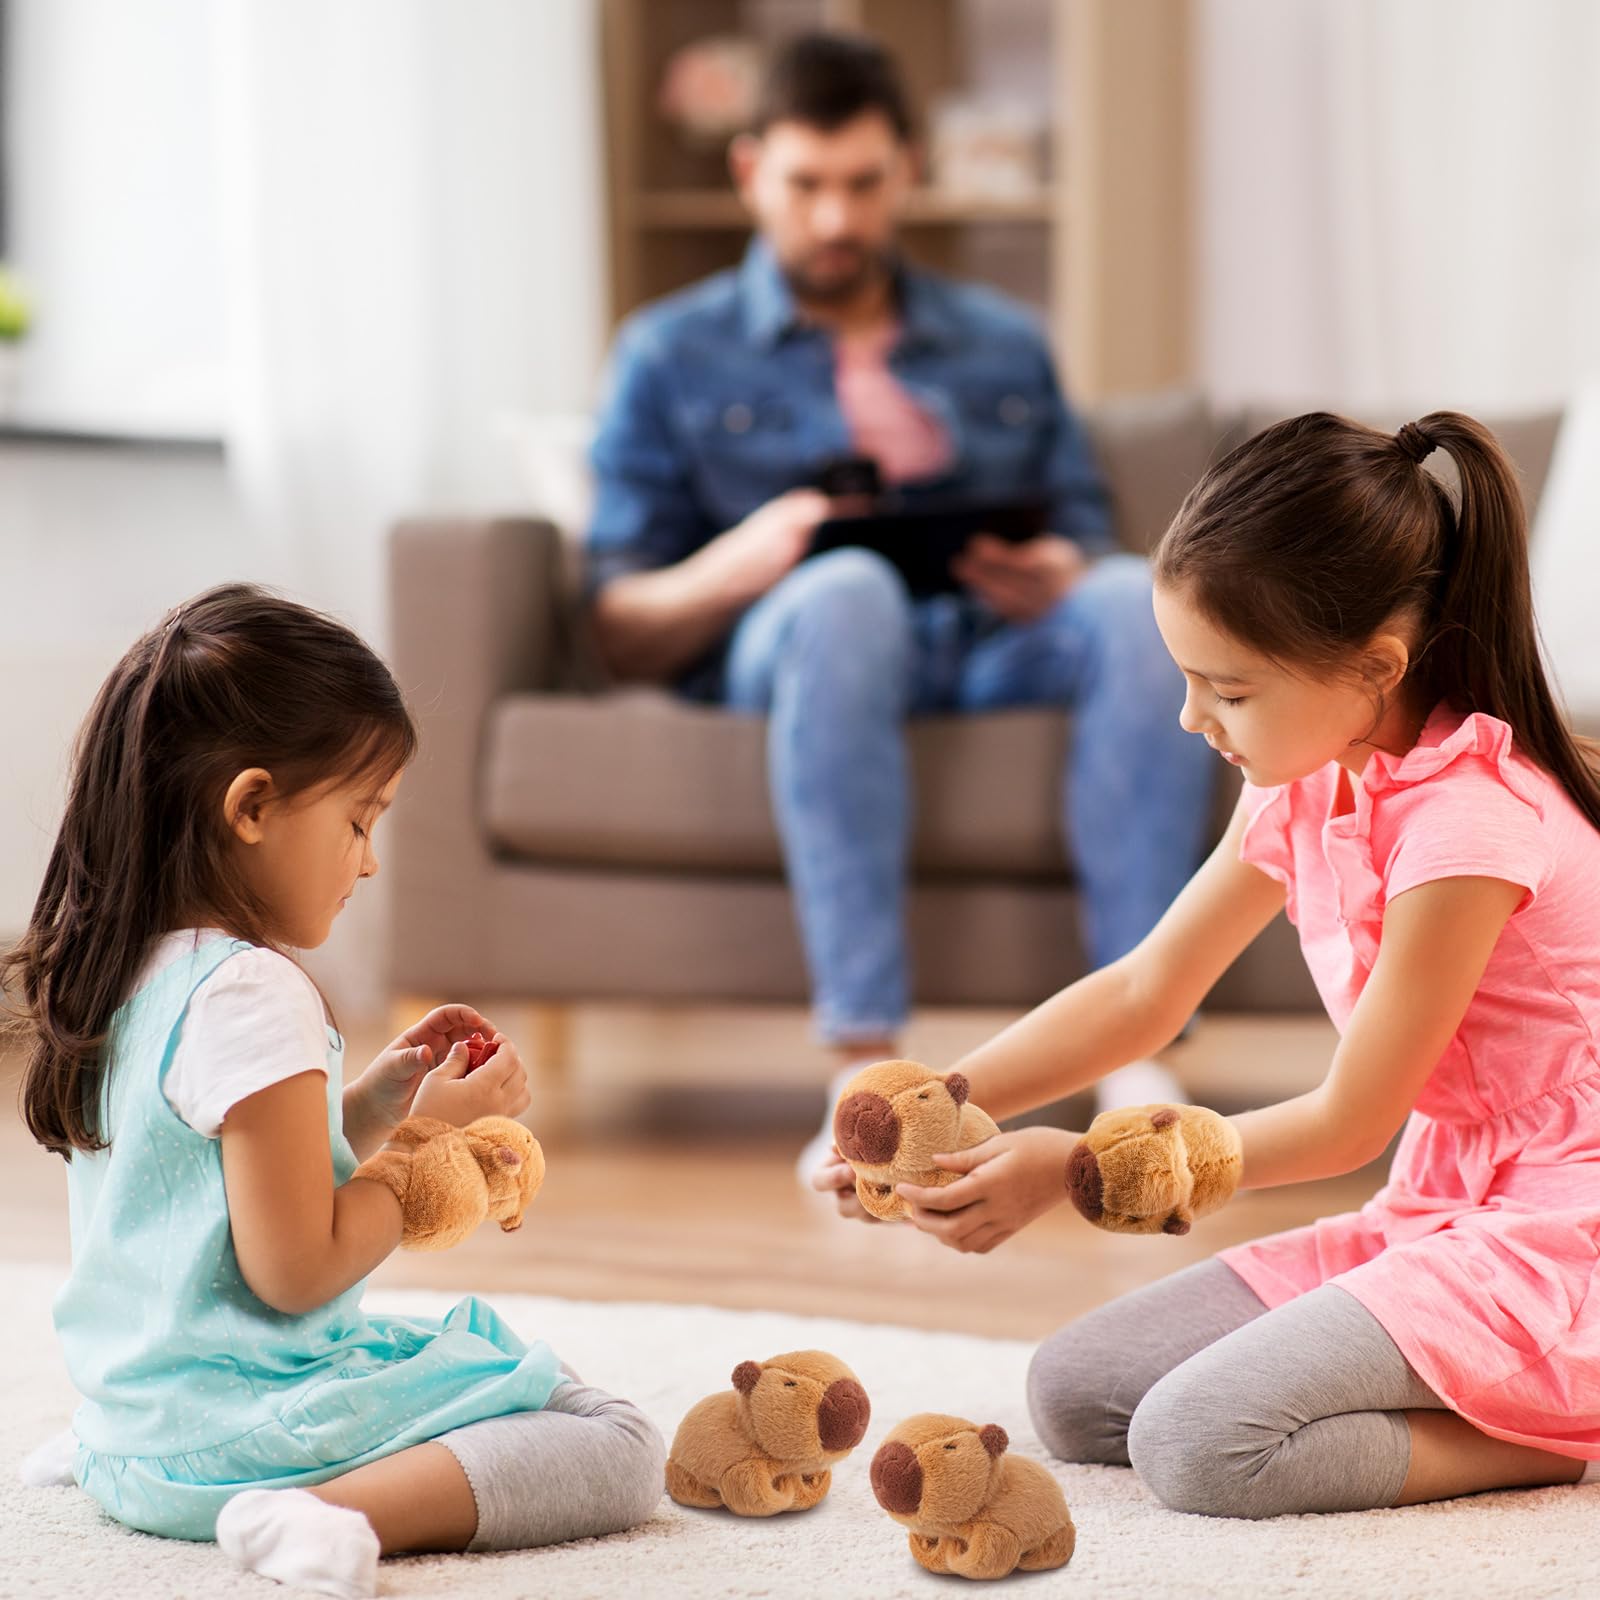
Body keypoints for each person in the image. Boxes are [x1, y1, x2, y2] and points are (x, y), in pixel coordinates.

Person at [836, 411, 1600, 1514]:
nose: (1193, 718)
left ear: (1375, 666)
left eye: (1229, 690)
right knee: (1078, 1391)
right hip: (1446, 1207)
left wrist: (1072, 1172)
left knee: (1203, 1443)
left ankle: (1568, 1436)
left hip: (1564, 1232)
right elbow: (1147, 989)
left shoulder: (1469, 825)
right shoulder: (1306, 778)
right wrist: (941, 1107)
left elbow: (1348, 1121)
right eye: (1187, 678)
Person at [585, 33, 1215, 1188]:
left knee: (1134, 600)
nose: (835, 219)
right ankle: (865, 1065)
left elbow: (1084, 521)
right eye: (805, 186)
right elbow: (619, 619)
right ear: (748, 175)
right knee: (844, 587)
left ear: (908, 172)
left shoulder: (1001, 341)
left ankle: (1136, 1055)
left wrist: (1061, 565)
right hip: (804, 631)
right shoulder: (666, 353)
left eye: (863, 185)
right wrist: (739, 561)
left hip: (980, 636)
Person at [5, 586, 663, 1598]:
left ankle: (115, 1460)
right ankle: (314, 1512)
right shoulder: (252, 988)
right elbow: (296, 1268)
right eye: (359, 820)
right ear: (253, 806)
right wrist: (424, 1158)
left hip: (141, 1425)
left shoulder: (126, 968)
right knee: (608, 1438)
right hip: (233, 1438)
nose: (368, 860)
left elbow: (219, 1182)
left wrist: (375, 1101)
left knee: (466, 1367)